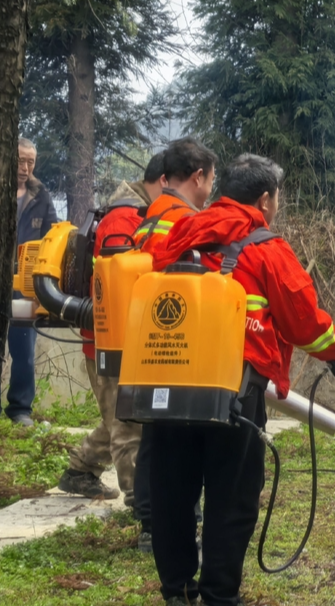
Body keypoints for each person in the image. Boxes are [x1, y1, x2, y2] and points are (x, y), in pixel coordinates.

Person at [145, 153, 335, 606]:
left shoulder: (182, 231)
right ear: (265, 199)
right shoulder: (267, 247)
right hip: (233, 391)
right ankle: (221, 602)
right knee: (232, 492)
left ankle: (178, 597)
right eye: (277, 199)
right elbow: (305, 323)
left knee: (171, 490)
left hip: (168, 375)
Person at [57, 152, 167, 502]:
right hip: (111, 343)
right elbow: (116, 292)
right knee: (128, 425)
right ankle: (142, 505)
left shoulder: (139, 214)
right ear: (165, 181)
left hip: (124, 339)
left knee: (119, 415)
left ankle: (79, 469)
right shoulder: (123, 220)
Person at [133, 137, 216, 553]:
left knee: (154, 431)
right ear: (198, 176)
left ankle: (151, 518)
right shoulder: (183, 218)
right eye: (211, 179)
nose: (211, 190)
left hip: (147, 335)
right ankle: (155, 521)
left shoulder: (151, 213)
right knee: (165, 438)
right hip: (175, 335)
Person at [0, 138, 58, 426]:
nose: (24, 167)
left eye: (30, 162)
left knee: (24, 346)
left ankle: (20, 408)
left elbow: (53, 236)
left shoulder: (41, 194)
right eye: (20, 160)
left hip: (25, 282)